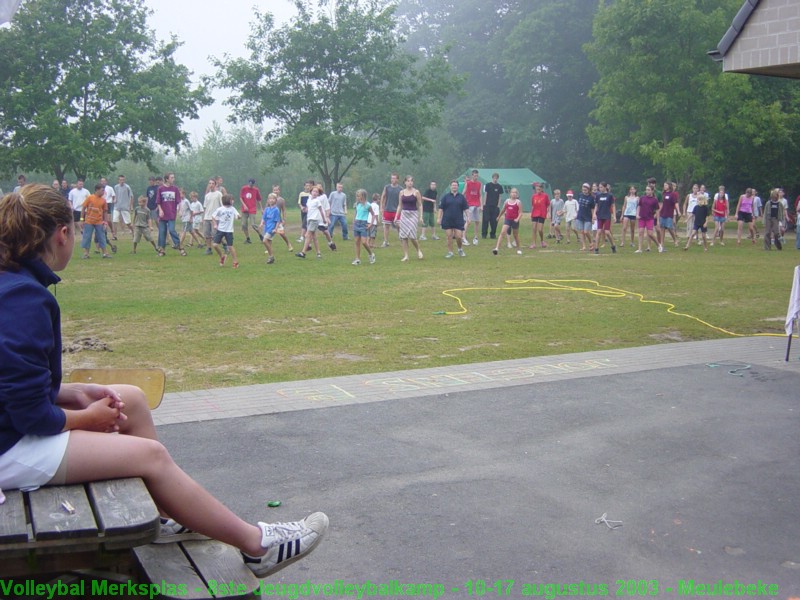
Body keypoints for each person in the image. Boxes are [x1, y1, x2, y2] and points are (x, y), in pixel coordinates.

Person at [0, 185, 328, 577]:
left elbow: (14, 383)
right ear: (63, 233)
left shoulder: (13, 282)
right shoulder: (21, 300)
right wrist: (89, 418)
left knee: (134, 399)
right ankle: (257, 546)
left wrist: (73, 392)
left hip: (12, 425)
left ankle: (169, 511)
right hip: (9, 447)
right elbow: (30, 417)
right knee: (149, 457)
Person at [393, 176, 424, 262]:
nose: (410, 182)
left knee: (412, 236)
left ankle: (418, 250)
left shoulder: (416, 192)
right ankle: (406, 255)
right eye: (408, 181)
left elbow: (420, 205)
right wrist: (396, 216)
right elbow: (400, 205)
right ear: (405, 182)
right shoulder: (401, 192)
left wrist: (421, 216)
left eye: (411, 181)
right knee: (404, 236)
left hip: (413, 214)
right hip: (404, 214)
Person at [156, 173, 186, 257]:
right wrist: (160, 210)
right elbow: (158, 202)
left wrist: (180, 210)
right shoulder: (160, 189)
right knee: (162, 232)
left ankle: (180, 246)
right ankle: (161, 250)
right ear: (167, 179)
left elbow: (179, 201)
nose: (173, 179)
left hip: (171, 214)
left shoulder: (175, 189)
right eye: (172, 177)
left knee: (172, 230)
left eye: (173, 177)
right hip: (163, 215)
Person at [296, 186, 328, 259]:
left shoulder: (317, 201)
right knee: (314, 237)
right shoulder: (309, 200)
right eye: (314, 191)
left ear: (318, 194)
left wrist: (324, 219)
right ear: (311, 192)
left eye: (317, 192)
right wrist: (305, 209)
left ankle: (303, 252)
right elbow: (309, 209)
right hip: (309, 219)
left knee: (307, 235)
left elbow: (321, 211)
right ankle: (318, 254)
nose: (315, 193)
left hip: (315, 220)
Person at [438, 180, 468, 258]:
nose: (454, 186)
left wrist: (468, 217)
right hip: (447, 219)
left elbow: (466, 208)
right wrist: (439, 218)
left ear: (458, 187)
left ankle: (460, 249)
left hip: (458, 220)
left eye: (456, 185)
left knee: (458, 236)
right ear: (450, 186)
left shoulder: (461, 197)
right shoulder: (445, 197)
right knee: (449, 236)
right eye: (453, 185)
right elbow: (441, 208)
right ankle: (450, 252)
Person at [80, 183, 112, 259]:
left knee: (102, 237)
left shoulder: (103, 200)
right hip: (89, 221)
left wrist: (105, 222)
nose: (103, 192)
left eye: (104, 190)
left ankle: (105, 253)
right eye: (102, 190)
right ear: (97, 190)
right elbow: (83, 208)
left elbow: (105, 211)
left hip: (99, 222)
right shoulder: (90, 198)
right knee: (87, 237)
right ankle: (86, 254)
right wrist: (82, 220)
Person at [212, 194, 240, 268]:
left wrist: (238, 216)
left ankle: (235, 261)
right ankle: (222, 256)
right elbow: (213, 216)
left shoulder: (233, 209)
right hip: (220, 230)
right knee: (215, 245)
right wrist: (215, 224)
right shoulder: (220, 209)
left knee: (230, 246)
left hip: (229, 231)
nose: (233, 201)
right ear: (227, 200)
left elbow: (237, 215)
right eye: (231, 199)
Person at [493, 188, 523, 255]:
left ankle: (518, 249)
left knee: (515, 235)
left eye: (515, 193)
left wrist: (517, 219)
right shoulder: (507, 201)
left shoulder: (518, 202)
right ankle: (496, 248)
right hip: (508, 219)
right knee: (502, 232)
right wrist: (499, 216)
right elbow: (503, 210)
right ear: (510, 194)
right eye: (512, 192)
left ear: (517, 194)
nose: (514, 194)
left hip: (515, 220)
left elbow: (521, 212)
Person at [351, 189, 376, 265]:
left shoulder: (368, 205)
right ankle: (357, 259)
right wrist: (354, 221)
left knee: (364, 242)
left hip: (363, 224)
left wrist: (371, 224)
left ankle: (371, 254)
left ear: (363, 196)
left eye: (358, 195)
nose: (357, 197)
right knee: (357, 242)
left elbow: (373, 214)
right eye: (357, 196)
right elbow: (356, 213)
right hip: (357, 223)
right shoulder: (357, 204)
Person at [635, 185, 661, 254]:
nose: (647, 191)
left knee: (650, 234)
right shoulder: (642, 198)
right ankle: (640, 249)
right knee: (640, 232)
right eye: (646, 190)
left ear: (652, 191)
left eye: (649, 190)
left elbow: (657, 210)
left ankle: (658, 245)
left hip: (649, 218)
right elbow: (639, 206)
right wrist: (637, 214)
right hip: (642, 218)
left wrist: (658, 220)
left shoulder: (654, 200)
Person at [593, 182, 617, 254]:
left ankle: (613, 246)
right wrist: (594, 214)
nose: (600, 189)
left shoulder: (610, 195)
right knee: (599, 231)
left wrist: (614, 216)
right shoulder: (598, 195)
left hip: (607, 215)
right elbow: (596, 205)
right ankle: (596, 249)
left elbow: (613, 206)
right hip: (600, 215)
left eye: (601, 187)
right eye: (599, 187)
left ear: (605, 187)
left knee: (607, 232)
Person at [379, 173, 401, 247]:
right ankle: (385, 241)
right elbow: (383, 196)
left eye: (394, 178)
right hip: (387, 209)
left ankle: (401, 238)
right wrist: (381, 207)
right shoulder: (387, 187)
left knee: (398, 225)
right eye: (392, 178)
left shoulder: (400, 189)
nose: (393, 180)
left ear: (397, 179)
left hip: (396, 211)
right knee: (386, 226)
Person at [259, 193, 282, 264]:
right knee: (268, 241)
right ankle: (270, 257)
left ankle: (271, 256)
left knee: (264, 240)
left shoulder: (276, 210)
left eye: (273, 199)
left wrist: (276, 228)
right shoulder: (267, 209)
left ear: (275, 200)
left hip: (271, 228)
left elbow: (278, 220)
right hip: (266, 228)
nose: (271, 200)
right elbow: (264, 218)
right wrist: (261, 223)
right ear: (268, 200)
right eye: (270, 199)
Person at [203, 178, 223, 255]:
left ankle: (224, 245)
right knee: (207, 234)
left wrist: (221, 217)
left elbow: (222, 206)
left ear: (215, 185)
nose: (211, 185)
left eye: (212, 183)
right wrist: (203, 218)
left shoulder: (218, 194)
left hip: (215, 218)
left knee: (215, 235)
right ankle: (208, 248)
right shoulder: (207, 195)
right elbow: (205, 207)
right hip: (207, 217)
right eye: (209, 183)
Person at [270, 185, 294, 252]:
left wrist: (284, 219)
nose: (275, 191)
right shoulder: (269, 199)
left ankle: (289, 244)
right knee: (269, 233)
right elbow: (267, 208)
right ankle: (268, 248)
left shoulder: (281, 200)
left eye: (277, 190)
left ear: (279, 191)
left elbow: (283, 210)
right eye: (274, 190)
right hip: (270, 220)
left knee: (282, 233)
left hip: (278, 220)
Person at [658, 181, 680, 250]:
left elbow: (676, 203)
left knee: (669, 227)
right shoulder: (663, 194)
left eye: (666, 185)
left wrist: (678, 211)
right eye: (664, 185)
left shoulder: (672, 194)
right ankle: (662, 243)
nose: (664, 186)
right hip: (662, 213)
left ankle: (675, 239)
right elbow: (661, 203)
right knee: (662, 228)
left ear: (669, 186)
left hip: (669, 213)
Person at [528, 181, 550, 249]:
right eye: (537, 189)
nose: (538, 190)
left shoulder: (545, 196)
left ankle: (542, 241)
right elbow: (532, 205)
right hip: (535, 213)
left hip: (542, 214)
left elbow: (548, 204)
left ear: (542, 189)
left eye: (539, 189)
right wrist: (531, 213)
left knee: (540, 230)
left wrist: (548, 212)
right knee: (534, 228)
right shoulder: (533, 196)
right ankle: (533, 243)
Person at [239, 179, 262, 244]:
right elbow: (241, 197)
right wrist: (244, 205)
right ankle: (248, 238)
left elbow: (259, 199)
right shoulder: (244, 188)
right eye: (250, 184)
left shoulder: (256, 190)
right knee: (243, 225)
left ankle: (261, 236)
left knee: (253, 224)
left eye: (252, 184)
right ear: (248, 183)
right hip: (244, 209)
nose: (251, 185)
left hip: (252, 209)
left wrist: (261, 208)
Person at [463, 170, 482, 245]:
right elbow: (463, 192)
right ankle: (463, 238)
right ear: (472, 175)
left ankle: (475, 237)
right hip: (469, 204)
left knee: (477, 221)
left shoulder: (479, 184)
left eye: (477, 176)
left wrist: (481, 205)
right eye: (474, 175)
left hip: (477, 204)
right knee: (468, 221)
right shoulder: (468, 183)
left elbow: (480, 195)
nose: (476, 177)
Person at [575, 183, 596, 252]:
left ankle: (591, 243)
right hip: (580, 215)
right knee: (581, 232)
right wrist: (577, 214)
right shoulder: (580, 195)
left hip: (588, 217)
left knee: (586, 231)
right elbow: (579, 206)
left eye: (585, 190)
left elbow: (593, 208)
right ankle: (583, 246)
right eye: (583, 190)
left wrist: (593, 217)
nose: (584, 191)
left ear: (588, 190)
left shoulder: (591, 198)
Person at [482, 173, 503, 240]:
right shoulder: (488, 185)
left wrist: (498, 205)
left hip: (495, 206)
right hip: (487, 205)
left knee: (494, 221)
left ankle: (493, 234)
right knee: (485, 220)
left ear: (498, 178)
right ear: (492, 178)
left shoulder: (499, 186)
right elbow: (486, 194)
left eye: (496, 178)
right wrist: (484, 204)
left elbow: (500, 196)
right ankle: (484, 234)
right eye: (494, 177)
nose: (495, 179)